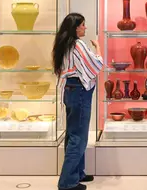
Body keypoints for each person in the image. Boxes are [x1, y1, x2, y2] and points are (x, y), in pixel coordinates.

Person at [52, 13, 103, 190]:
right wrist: (98, 48)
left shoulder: (63, 44)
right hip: (79, 91)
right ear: (75, 27)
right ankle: (67, 182)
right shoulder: (77, 44)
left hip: (70, 90)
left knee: (73, 133)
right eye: (82, 25)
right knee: (78, 137)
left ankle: (77, 173)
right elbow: (96, 64)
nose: (85, 28)